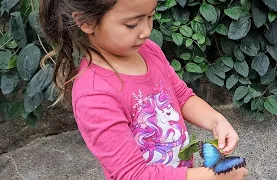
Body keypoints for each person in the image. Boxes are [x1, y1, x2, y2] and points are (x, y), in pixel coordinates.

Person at [39, 0, 248, 179]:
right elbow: (133, 175)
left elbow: (181, 96)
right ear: (86, 22)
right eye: (132, 24)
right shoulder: (94, 95)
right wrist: (215, 176)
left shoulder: (149, 51)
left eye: (150, 16)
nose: (147, 31)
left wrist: (216, 120)